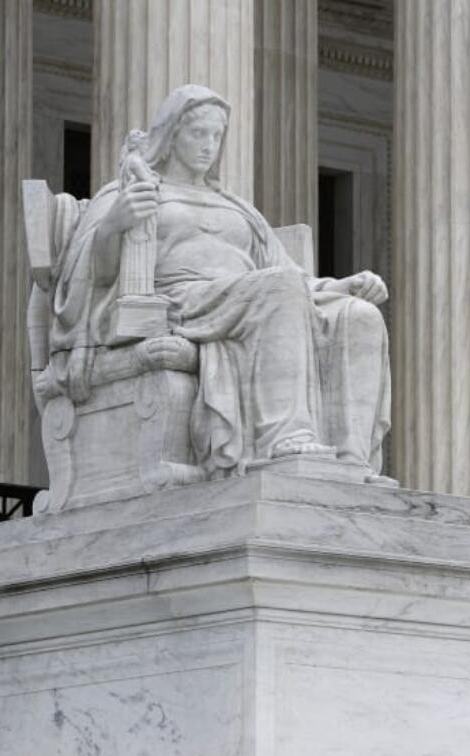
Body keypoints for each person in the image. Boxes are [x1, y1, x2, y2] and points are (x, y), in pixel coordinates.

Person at [45, 84, 391, 480]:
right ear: (171, 135)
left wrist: (341, 287)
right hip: (180, 301)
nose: (209, 146)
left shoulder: (237, 206)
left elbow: (293, 279)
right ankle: (286, 437)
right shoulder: (128, 191)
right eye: (198, 134)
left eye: (217, 136)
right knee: (276, 289)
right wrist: (115, 223)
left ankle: (351, 460)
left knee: (360, 315)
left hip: (248, 299)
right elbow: (86, 276)